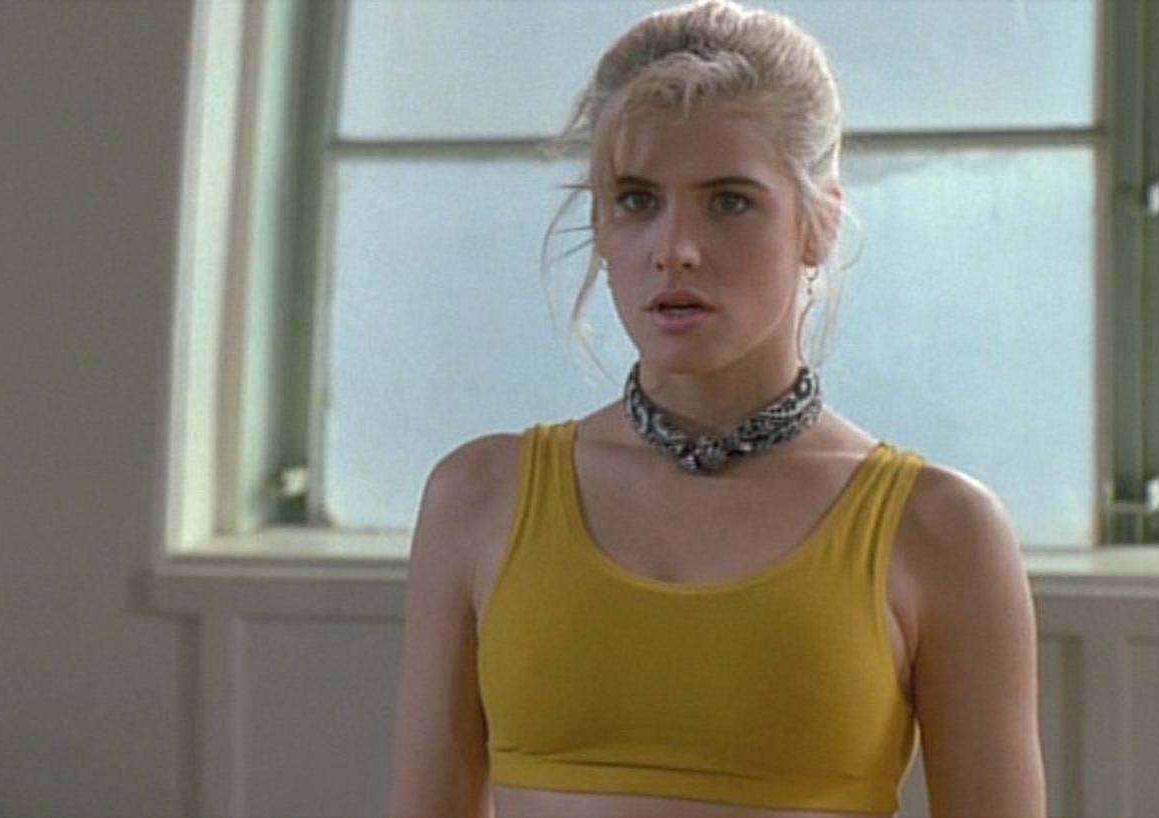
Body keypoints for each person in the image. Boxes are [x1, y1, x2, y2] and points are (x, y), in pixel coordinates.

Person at [387, 1, 1045, 817]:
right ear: (599, 223)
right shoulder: (481, 496)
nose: (675, 250)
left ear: (818, 223)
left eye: (729, 201)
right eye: (637, 200)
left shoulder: (939, 528)